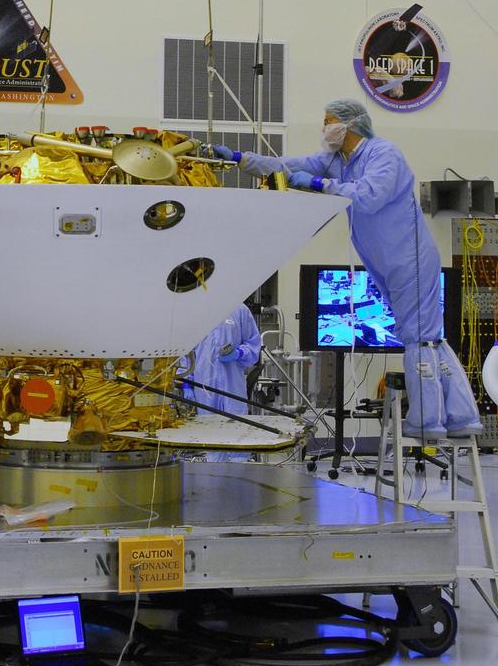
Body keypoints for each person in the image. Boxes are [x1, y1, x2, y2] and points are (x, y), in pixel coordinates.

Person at [213, 98, 481, 438]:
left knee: (420, 337)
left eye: (329, 121)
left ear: (350, 124)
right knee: (423, 335)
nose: (324, 128)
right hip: (384, 261)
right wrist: (239, 159)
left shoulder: (384, 154)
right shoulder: (336, 160)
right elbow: (284, 166)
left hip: (409, 257)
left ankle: (428, 420)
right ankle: (460, 416)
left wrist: (319, 185)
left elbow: (369, 196)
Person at [182, 304, 262, 416]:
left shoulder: (239, 310)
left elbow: (253, 345)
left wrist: (239, 353)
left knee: (236, 424)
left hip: (233, 389)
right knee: (205, 425)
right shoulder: (195, 311)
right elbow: (186, 352)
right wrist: (186, 382)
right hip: (204, 390)